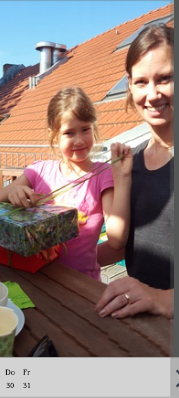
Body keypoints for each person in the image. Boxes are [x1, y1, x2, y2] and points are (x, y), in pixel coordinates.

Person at [0, 86, 125, 280]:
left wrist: (123, 179)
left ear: (93, 128)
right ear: (54, 135)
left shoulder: (103, 175)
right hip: (37, 276)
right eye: (69, 133)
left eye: (85, 129)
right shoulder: (39, 171)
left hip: (82, 283)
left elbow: (117, 239)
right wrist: (13, 193)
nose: (79, 140)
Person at [95, 24, 173, 319]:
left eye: (164, 78)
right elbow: (126, 246)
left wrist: (162, 299)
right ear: (129, 85)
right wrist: (60, 255)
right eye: (141, 81)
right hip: (136, 324)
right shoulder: (132, 161)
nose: (152, 95)